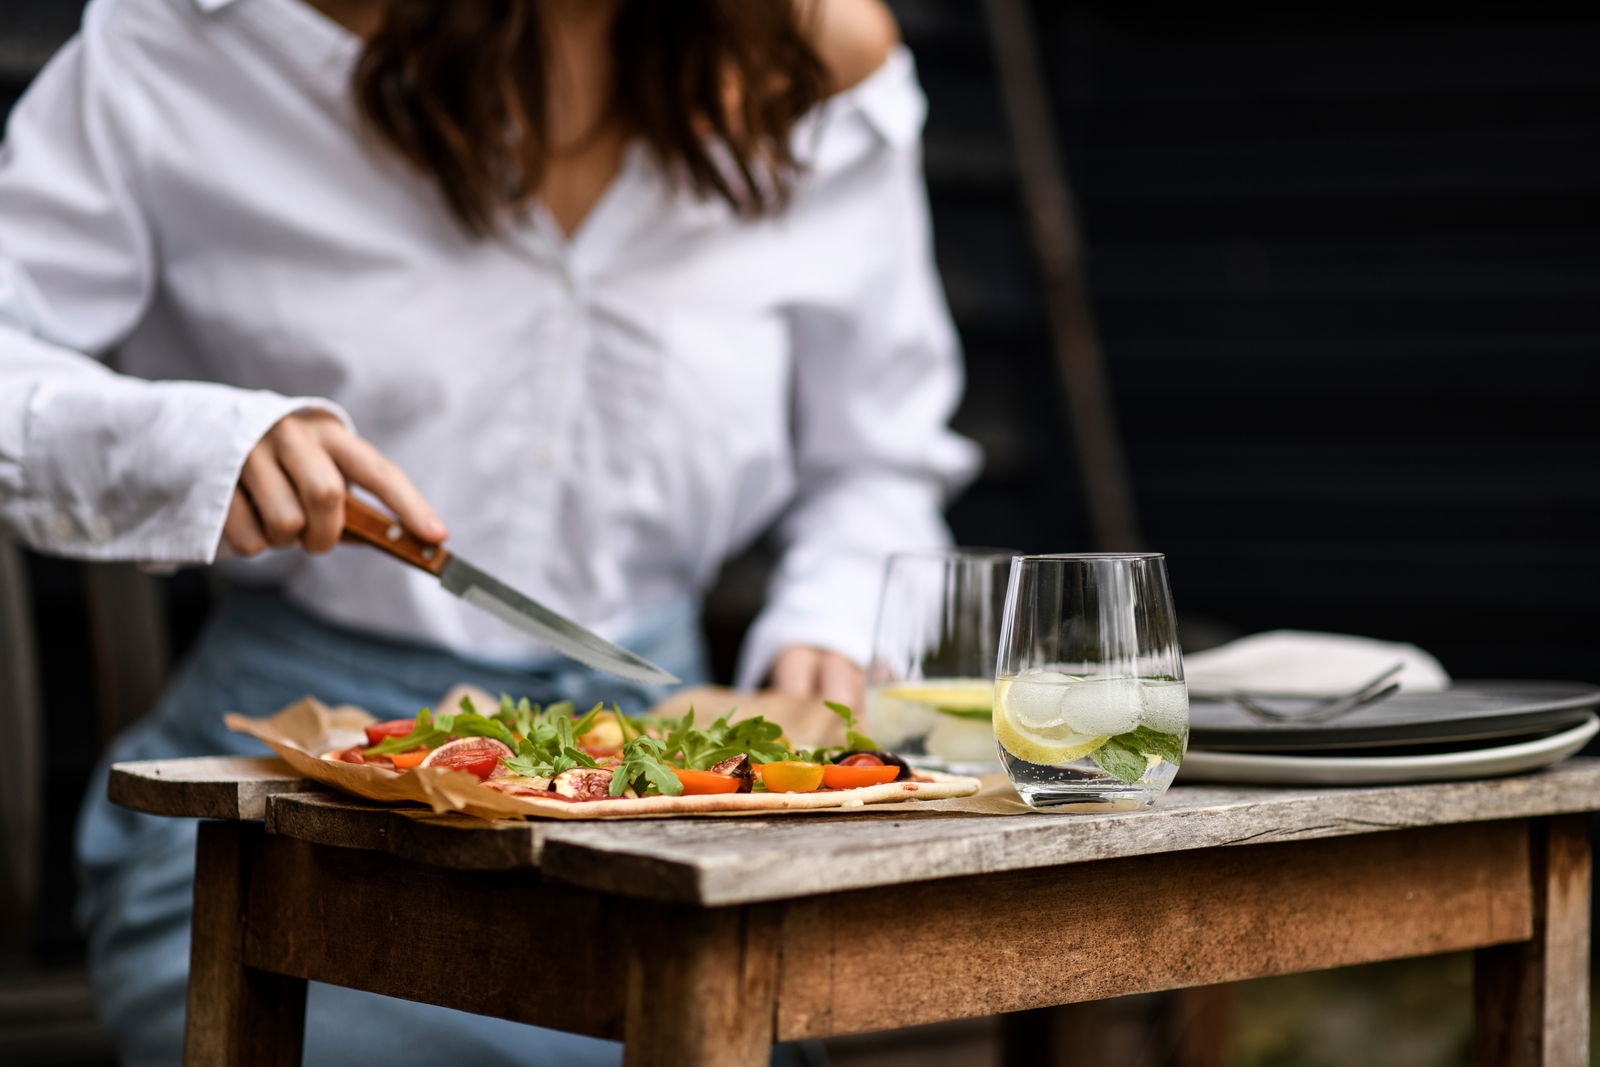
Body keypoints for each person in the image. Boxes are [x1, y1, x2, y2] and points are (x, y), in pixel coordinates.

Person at [0, 0, 978, 1062]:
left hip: (686, 803)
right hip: (296, 816)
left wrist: (829, 616)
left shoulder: (809, 61)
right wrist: (192, 442)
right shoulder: (204, 39)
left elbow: (877, 456)